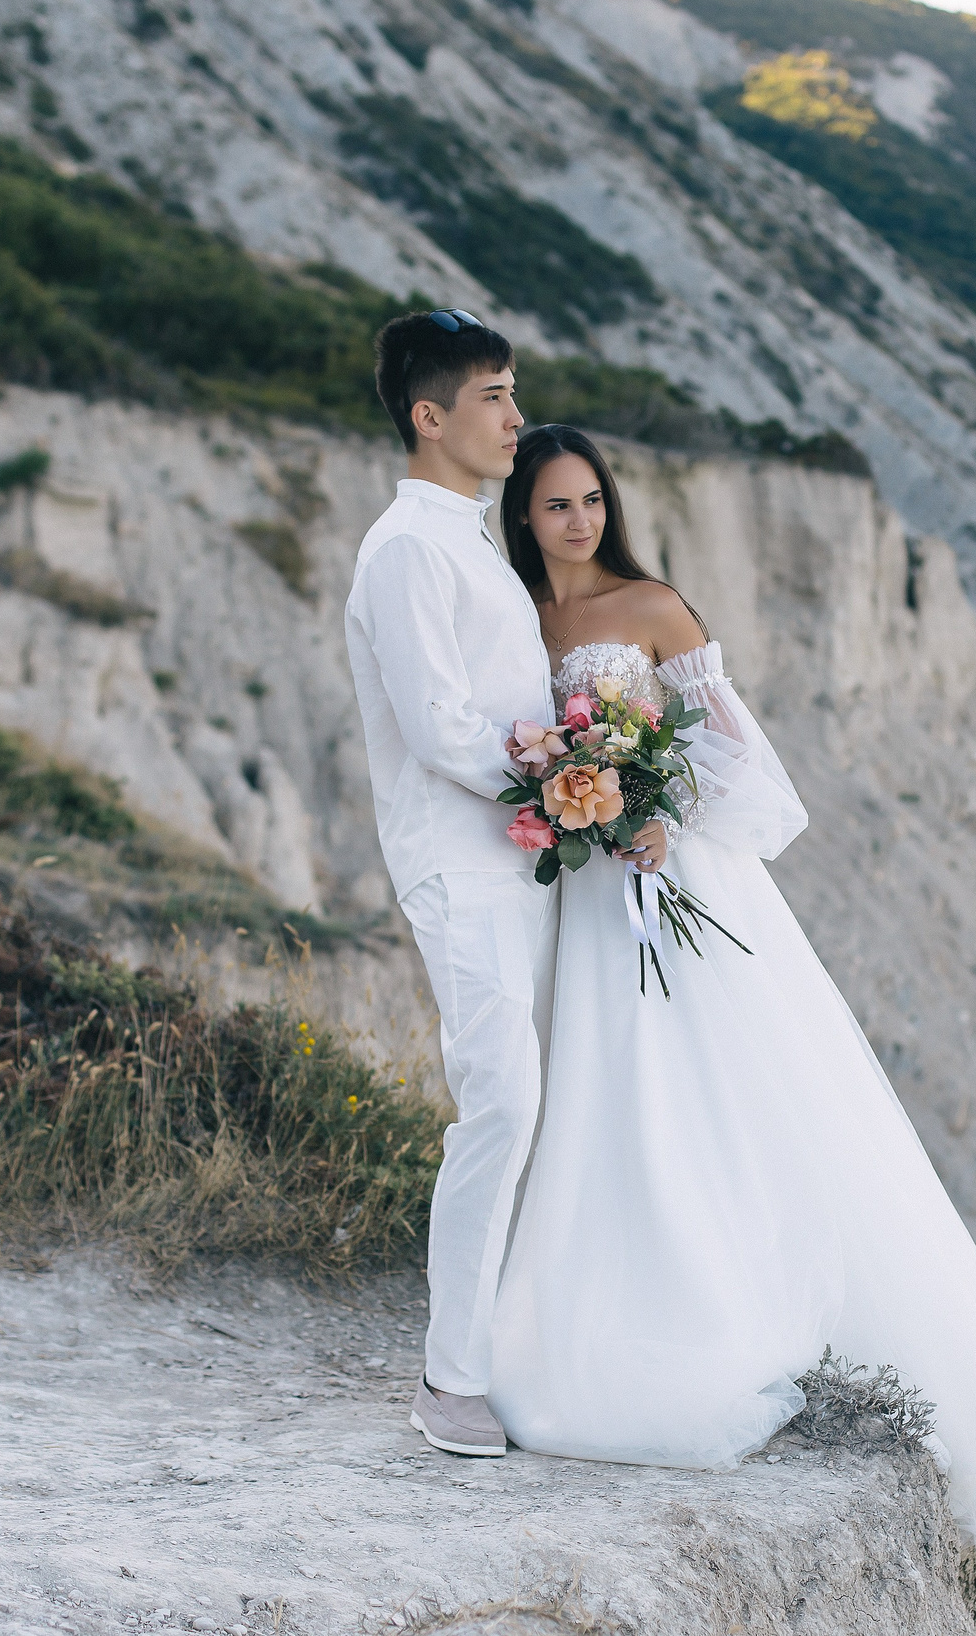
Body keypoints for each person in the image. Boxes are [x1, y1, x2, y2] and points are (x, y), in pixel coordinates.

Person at [481, 423, 976, 1577]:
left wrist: (657, 812)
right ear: (522, 514)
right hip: (580, 897)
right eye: (554, 505)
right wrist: (568, 800)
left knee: (707, 1088)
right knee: (598, 1094)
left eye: (588, 502)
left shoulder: (654, 604)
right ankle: (587, 1317)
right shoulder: (516, 617)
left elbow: (745, 769)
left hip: (670, 875)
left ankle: (718, 1304)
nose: (575, 521)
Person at [343, 313, 664, 1460]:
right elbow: (440, 729)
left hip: (519, 856)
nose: (514, 418)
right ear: (430, 416)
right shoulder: (405, 552)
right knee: (502, 1105)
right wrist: (578, 781)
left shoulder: (467, 539)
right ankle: (448, 1378)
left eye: (514, 392)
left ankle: (514, 1344)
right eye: (493, 396)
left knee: (540, 1101)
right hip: (460, 864)